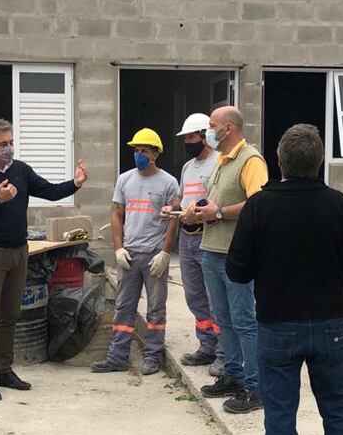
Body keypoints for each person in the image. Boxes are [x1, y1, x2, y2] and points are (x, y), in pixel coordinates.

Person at [227, 124, 343, 435]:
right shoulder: (339, 204)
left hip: (277, 326)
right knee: (338, 410)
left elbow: (237, 271)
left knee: (279, 414)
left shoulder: (260, 206)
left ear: (280, 162)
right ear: (319, 161)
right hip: (330, 325)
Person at [0, 118, 89, 401]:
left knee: (10, 316)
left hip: (19, 251)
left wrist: (75, 183)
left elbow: (50, 191)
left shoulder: (20, 170)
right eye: (2, 144)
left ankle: (4, 370)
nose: (9, 148)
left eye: (12, 143)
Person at [183, 106, 268, 414]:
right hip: (213, 249)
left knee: (245, 322)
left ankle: (255, 386)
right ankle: (232, 375)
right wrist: (199, 209)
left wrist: (218, 212)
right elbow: (218, 202)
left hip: (238, 254)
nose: (209, 131)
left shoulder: (251, 160)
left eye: (212, 125)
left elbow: (258, 204)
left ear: (228, 128)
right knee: (224, 320)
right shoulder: (222, 160)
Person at [92, 128, 180, 376]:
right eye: (136, 150)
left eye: (144, 150)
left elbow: (173, 219)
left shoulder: (168, 182)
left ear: (155, 154)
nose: (138, 154)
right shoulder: (125, 179)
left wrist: (165, 252)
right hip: (129, 255)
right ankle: (117, 357)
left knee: (155, 308)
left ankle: (152, 356)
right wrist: (118, 248)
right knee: (124, 306)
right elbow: (117, 213)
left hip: (154, 254)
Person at [160, 113, 223, 375]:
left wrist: (197, 210)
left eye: (190, 137)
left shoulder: (219, 163)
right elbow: (181, 198)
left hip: (209, 236)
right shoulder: (188, 167)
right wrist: (171, 207)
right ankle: (206, 346)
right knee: (195, 296)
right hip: (187, 238)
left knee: (215, 297)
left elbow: (216, 201)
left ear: (203, 136)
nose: (187, 142)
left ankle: (224, 353)